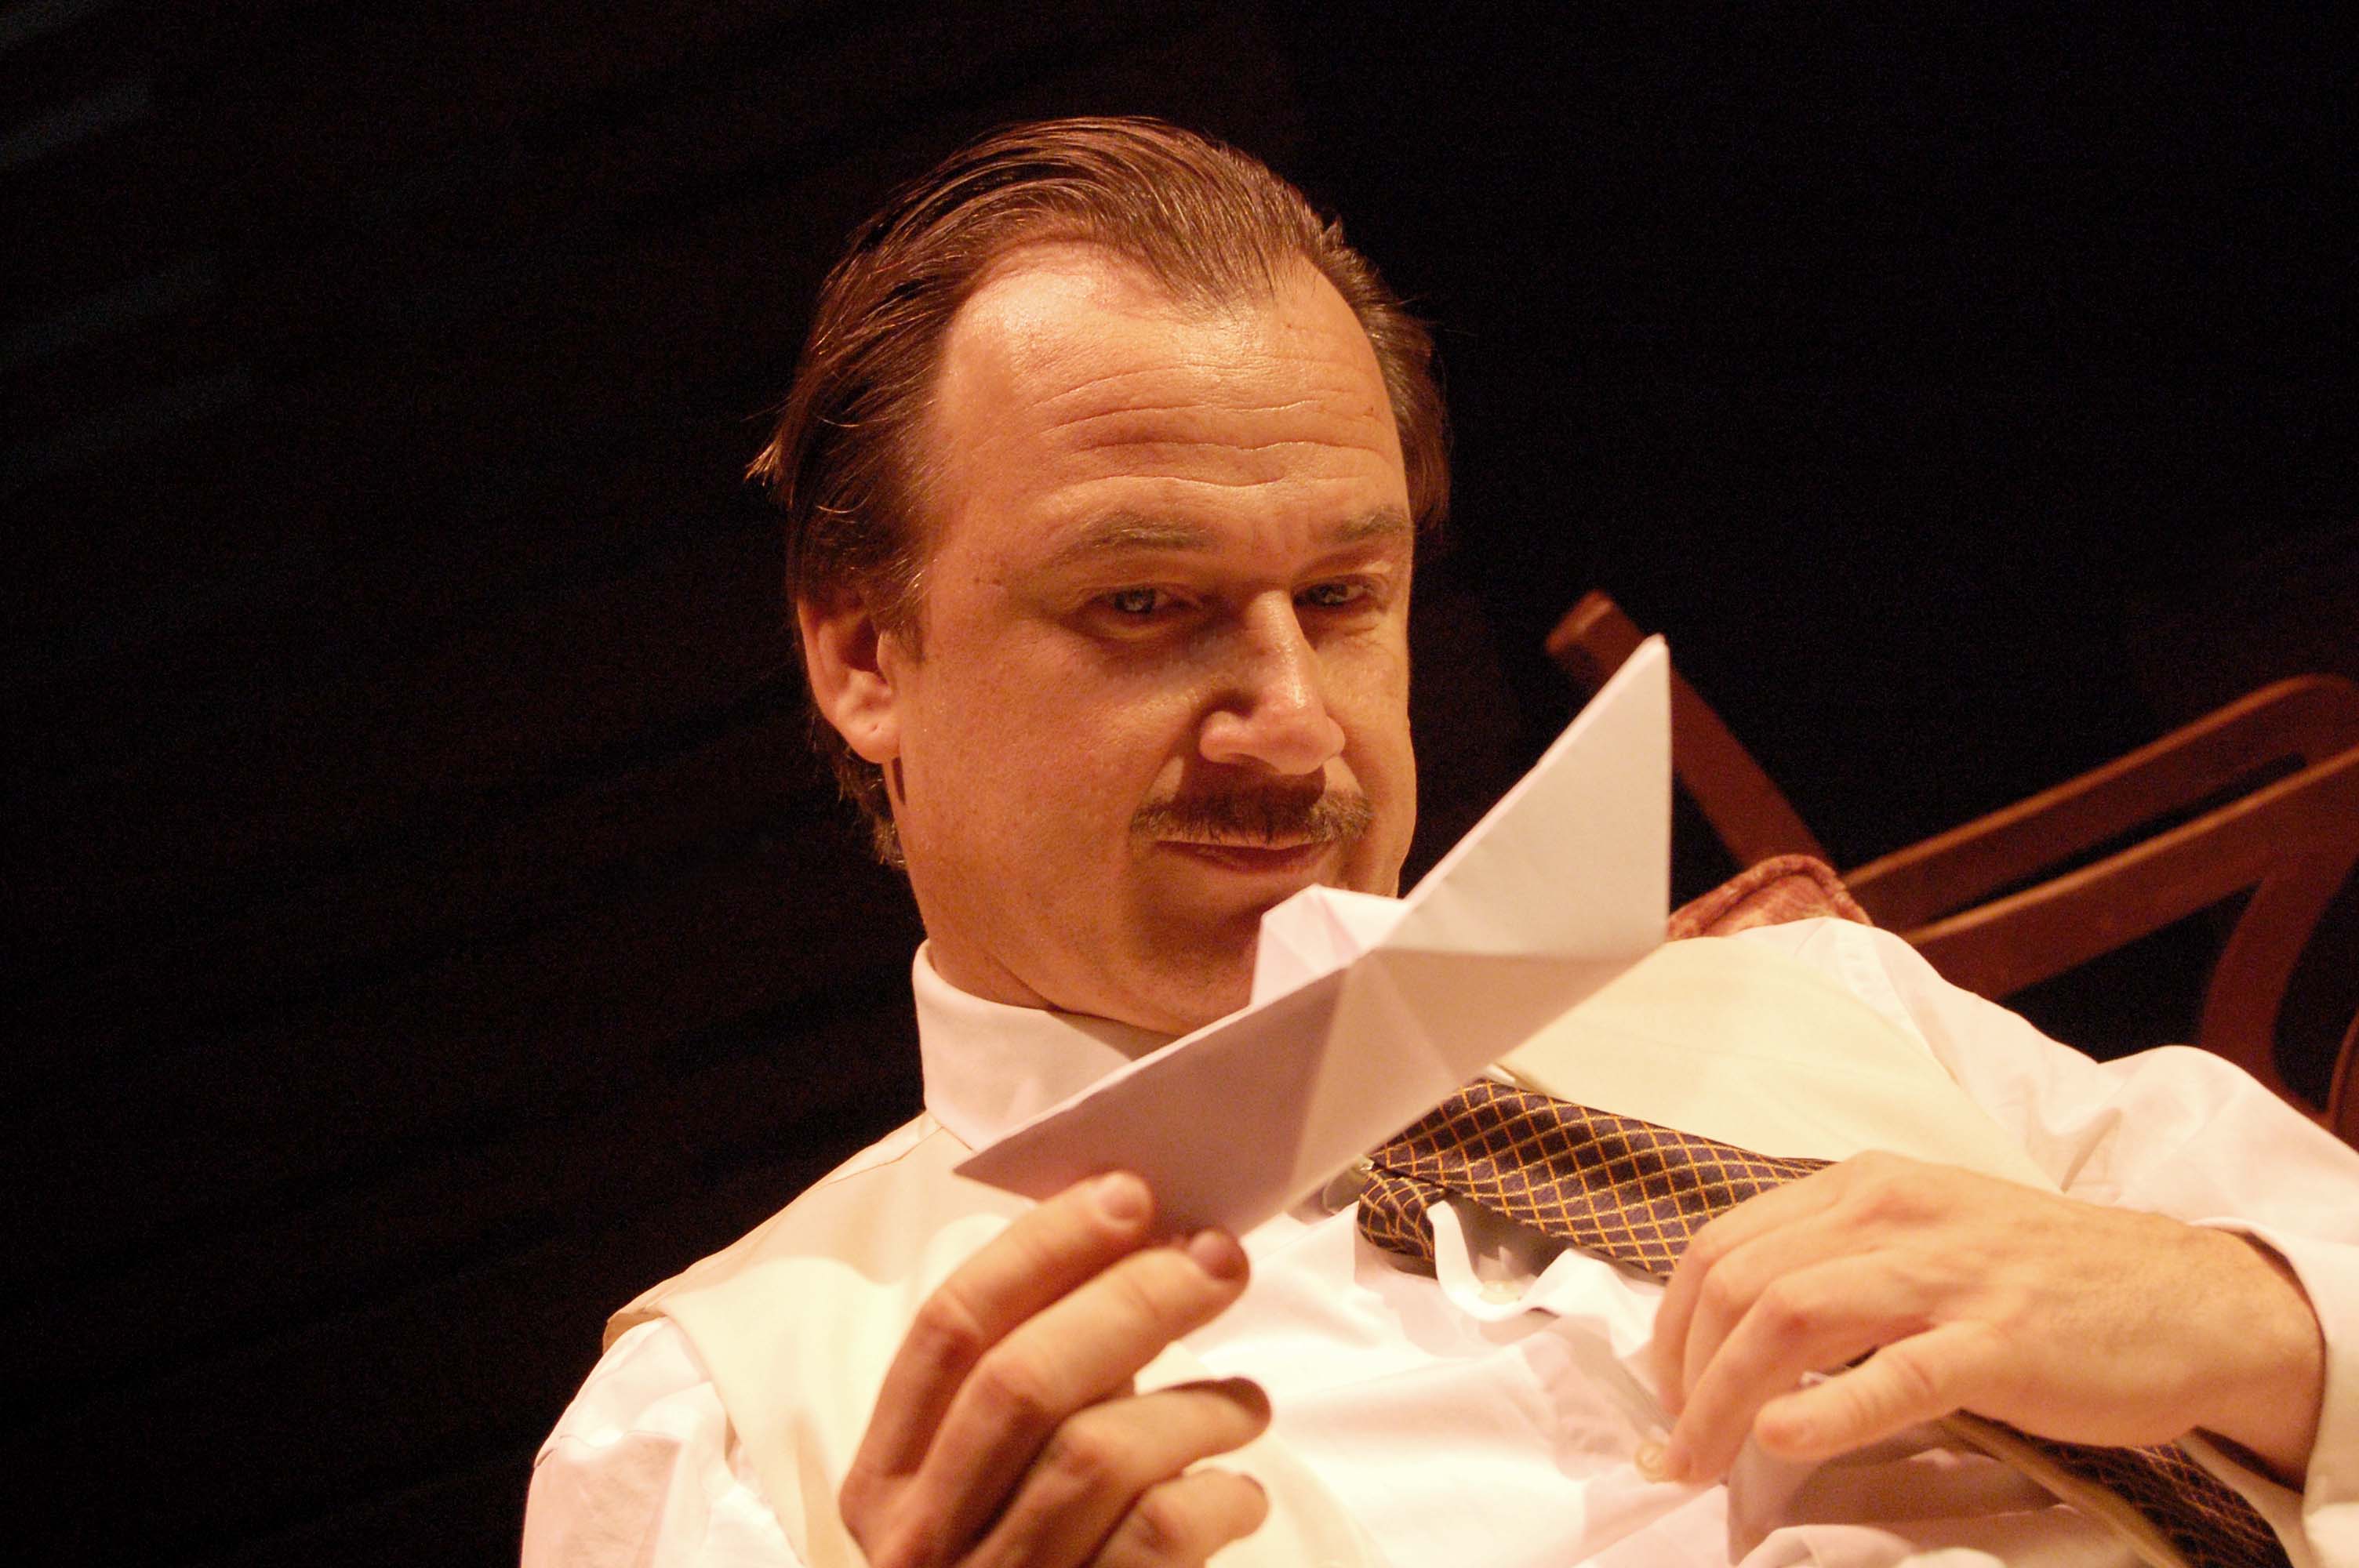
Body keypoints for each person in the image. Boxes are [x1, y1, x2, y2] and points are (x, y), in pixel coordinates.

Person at [522, 116, 2357, 1567]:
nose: (1291, 722)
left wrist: (2252, 1317)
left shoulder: (1830, 1003)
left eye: (1340, 596)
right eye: (1144, 603)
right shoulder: (726, 1425)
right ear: (865, 656)